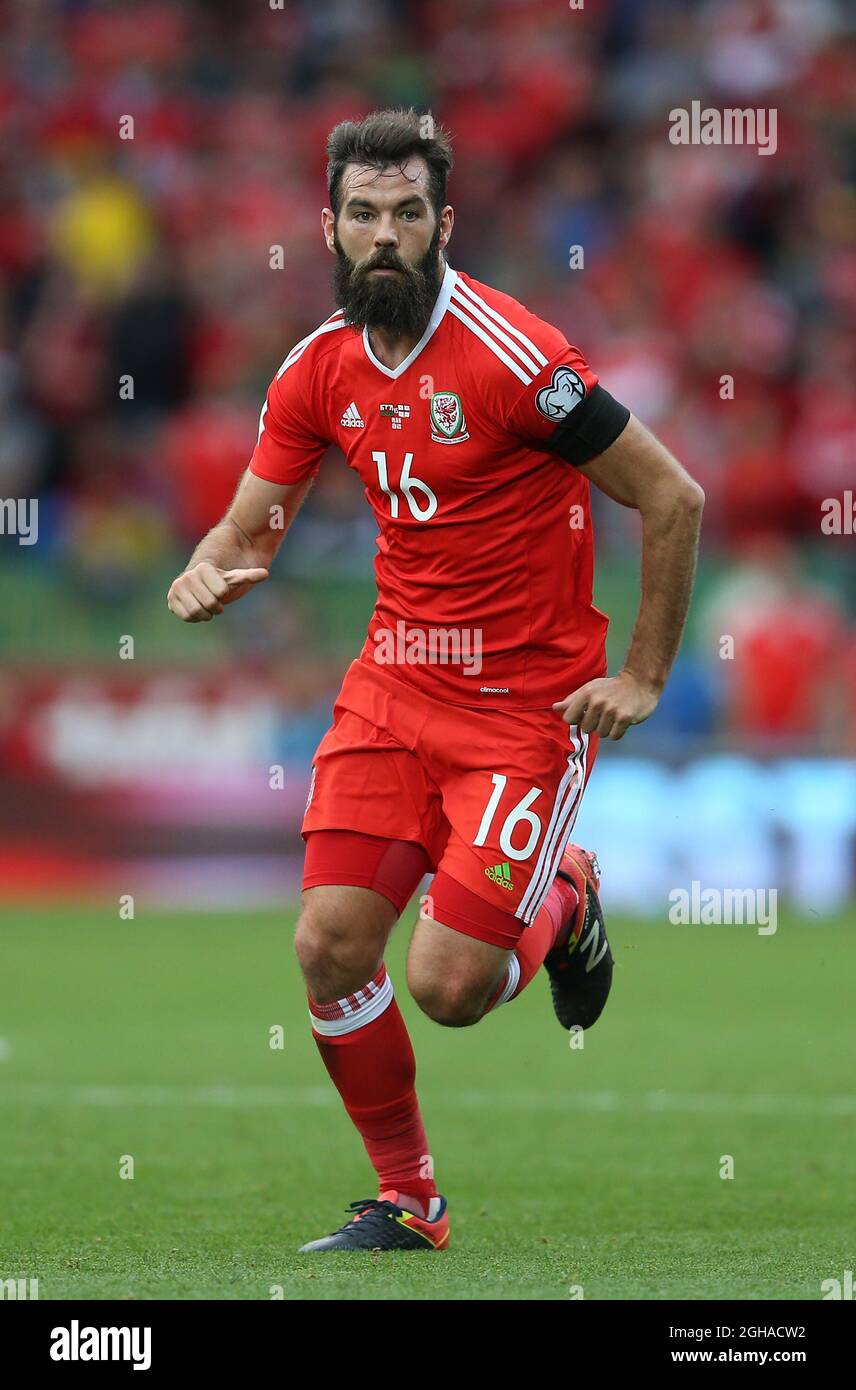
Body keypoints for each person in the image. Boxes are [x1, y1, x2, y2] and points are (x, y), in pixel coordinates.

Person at [167, 109, 704, 1253]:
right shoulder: (316, 368)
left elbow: (672, 496)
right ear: (329, 226)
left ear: (443, 222)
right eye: (362, 214)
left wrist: (645, 674)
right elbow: (244, 530)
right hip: (391, 690)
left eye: (407, 213)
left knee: (451, 988)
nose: (384, 236)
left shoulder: (519, 359)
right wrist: (211, 571)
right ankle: (409, 1196)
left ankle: (563, 896)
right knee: (326, 945)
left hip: (523, 710)